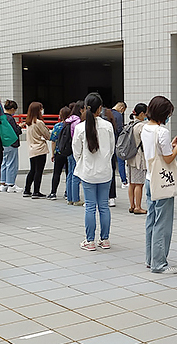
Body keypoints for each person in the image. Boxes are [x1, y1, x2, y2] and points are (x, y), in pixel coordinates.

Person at [141, 96, 177, 273]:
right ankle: (159, 263)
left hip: (150, 178)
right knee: (163, 222)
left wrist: (172, 145)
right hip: (162, 181)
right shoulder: (162, 131)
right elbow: (168, 158)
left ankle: (150, 258)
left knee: (151, 220)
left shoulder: (146, 128)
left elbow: (160, 151)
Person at [73, 93, 115, 251]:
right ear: (100, 108)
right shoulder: (108, 126)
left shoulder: (79, 128)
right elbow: (111, 149)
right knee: (104, 206)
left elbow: (76, 152)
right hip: (105, 172)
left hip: (88, 172)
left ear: (84, 108)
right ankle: (105, 240)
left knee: (90, 206)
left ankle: (89, 241)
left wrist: (83, 162)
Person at [23, 102, 50, 199]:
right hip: (40, 149)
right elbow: (47, 135)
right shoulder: (39, 122)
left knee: (32, 170)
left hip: (31, 149)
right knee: (39, 171)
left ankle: (27, 190)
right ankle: (36, 191)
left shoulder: (28, 122)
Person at [126, 103, 148, 215]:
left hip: (130, 158)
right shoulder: (142, 126)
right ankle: (138, 207)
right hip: (139, 158)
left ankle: (132, 205)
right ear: (142, 113)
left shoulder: (130, 124)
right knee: (139, 183)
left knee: (132, 183)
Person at [47, 106, 72, 200]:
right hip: (69, 152)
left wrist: (52, 154)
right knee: (69, 173)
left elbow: (53, 140)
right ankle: (67, 192)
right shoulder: (71, 126)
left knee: (56, 172)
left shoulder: (57, 126)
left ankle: (53, 192)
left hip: (59, 151)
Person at [0, 100, 23, 194]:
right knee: (12, 163)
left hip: (3, 143)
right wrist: (20, 127)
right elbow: (15, 131)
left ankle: (2, 184)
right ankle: (11, 184)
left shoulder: (1, 117)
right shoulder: (10, 119)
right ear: (12, 109)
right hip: (12, 143)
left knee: (3, 163)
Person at [65, 101, 85, 206]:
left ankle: (70, 197)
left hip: (68, 149)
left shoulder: (69, 120)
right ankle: (76, 198)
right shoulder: (78, 122)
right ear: (81, 110)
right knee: (75, 174)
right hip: (75, 150)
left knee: (70, 173)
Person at [111, 102, 128, 188]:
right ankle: (124, 181)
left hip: (108, 142)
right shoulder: (118, 115)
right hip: (117, 142)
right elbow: (119, 130)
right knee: (121, 161)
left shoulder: (107, 113)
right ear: (121, 108)